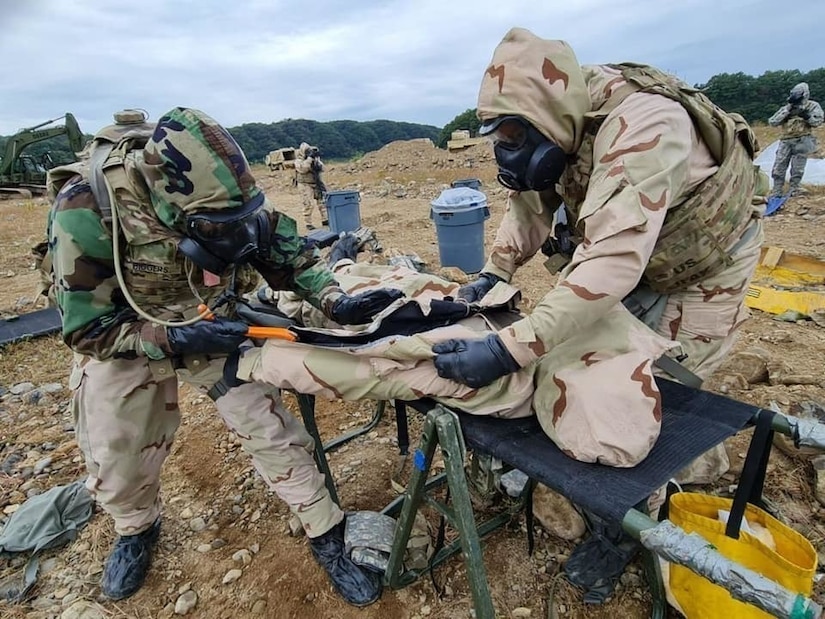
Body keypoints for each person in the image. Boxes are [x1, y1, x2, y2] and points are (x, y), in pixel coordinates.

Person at [46, 107, 403, 606]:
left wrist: (334, 299)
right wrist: (174, 341)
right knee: (116, 449)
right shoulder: (86, 206)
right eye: (212, 229)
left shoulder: (230, 200)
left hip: (211, 317)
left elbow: (288, 255)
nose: (229, 232)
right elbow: (87, 330)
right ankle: (135, 529)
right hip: (127, 334)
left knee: (269, 427)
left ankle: (326, 533)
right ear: (167, 201)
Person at [431, 28, 767, 484]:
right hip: (634, 249)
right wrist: (496, 270)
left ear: (546, 117)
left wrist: (506, 350)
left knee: (671, 383)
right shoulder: (554, 118)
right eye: (500, 137)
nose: (507, 149)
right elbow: (532, 201)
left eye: (514, 137)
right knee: (605, 366)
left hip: (705, 261)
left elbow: (610, 262)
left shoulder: (644, 124)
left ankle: (679, 484)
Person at [768, 82, 823, 198]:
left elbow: (818, 122)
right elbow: (773, 122)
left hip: (803, 140)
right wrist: (787, 113)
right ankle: (777, 190)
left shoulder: (812, 106)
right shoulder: (787, 108)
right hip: (786, 140)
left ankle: (794, 188)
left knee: (798, 168)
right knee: (779, 166)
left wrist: (806, 116)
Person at [294, 141, 328, 230]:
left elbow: (322, 168)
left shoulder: (314, 159)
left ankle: (325, 219)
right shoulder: (298, 161)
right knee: (308, 204)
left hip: (316, 183)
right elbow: (303, 169)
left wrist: (317, 159)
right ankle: (308, 223)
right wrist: (309, 158)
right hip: (305, 184)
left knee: (322, 202)